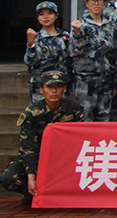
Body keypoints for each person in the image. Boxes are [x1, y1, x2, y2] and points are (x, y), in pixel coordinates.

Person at [0, 71, 83, 206]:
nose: (54, 91)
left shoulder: (73, 108)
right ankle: (32, 191)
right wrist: (31, 178)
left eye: (58, 87)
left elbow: (80, 137)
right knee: (9, 179)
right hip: (38, 156)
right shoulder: (31, 114)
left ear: (64, 89)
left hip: (64, 157)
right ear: (41, 90)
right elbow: (29, 148)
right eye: (50, 87)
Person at [69, 0, 117, 121]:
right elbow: (74, 52)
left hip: (106, 80)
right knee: (85, 117)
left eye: (99, 0)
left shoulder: (110, 26)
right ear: (86, 3)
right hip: (85, 81)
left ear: (104, 3)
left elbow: (114, 54)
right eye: (93, 0)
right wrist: (77, 35)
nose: (96, 3)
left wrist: (115, 81)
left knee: (105, 117)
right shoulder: (80, 25)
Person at [23, 1, 70, 103]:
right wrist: (31, 45)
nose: (46, 17)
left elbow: (71, 60)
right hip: (41, 87)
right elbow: (30, 62)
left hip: (61, 85)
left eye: (49, 13)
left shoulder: (65, 36)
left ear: (56, 15)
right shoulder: (36, 38)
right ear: (37, 18)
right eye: (41, 14)